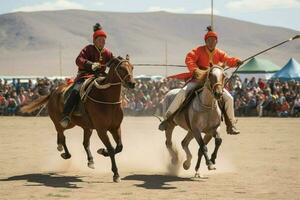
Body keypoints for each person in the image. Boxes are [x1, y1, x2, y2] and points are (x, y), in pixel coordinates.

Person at [159, 26, 243, 134]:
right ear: (206, 41)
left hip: (212, 83)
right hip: (197, 80)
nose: (211, 42)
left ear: (216, 41)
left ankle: (231, 124)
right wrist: (195, 70)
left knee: (229, 98)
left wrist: (236, 62)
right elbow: (189, 58)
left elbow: (228, 60)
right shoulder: (198, 50)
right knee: (182, 93)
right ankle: (168, 118)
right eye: (209, 40)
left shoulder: (220, 53)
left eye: (213, 40)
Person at [60, 23, 113, 128]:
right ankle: (66, 116)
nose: (102, 42)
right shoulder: (88, 49)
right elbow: (78, 60)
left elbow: (113, 62)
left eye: (104, 40)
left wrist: (122, 62)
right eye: (100, 40)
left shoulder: (107, 53)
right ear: (94, 41)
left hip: (101, 77)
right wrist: (90, 64)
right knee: (75, 91)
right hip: (85, 76)